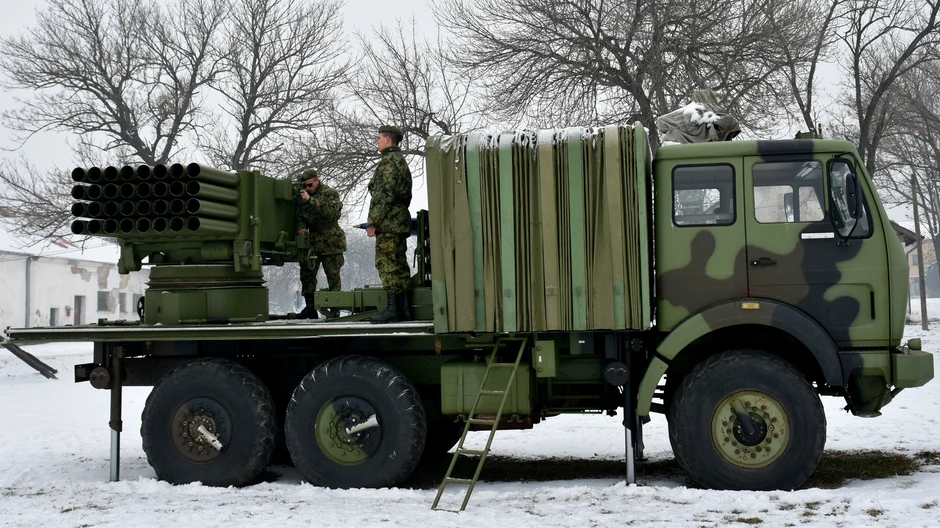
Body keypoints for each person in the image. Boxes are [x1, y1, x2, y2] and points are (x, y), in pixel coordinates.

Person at [367, 125, 413, 323]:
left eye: (378, 138)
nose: (377, 142)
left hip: (388, 223)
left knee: (387, 265)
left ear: (387, 140)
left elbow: (382, 197)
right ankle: (404, 309)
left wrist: (372, 223)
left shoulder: (388, 163)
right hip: (399, 222)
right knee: (400, 265)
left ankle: (393, 309)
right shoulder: (401, 162)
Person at [295, 168, 346, 319]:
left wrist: (311, 201)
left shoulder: (329, 193)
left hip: (331, 240)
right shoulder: (302, 196)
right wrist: (302, 228)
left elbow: (332, 213)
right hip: (313, 241)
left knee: (333, 275)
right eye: (304, 186)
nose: (307, 188)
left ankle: (335, 309)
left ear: (317, 180)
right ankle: (310, 307)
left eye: (309, 185)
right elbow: (299, 217)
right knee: (307, 274)